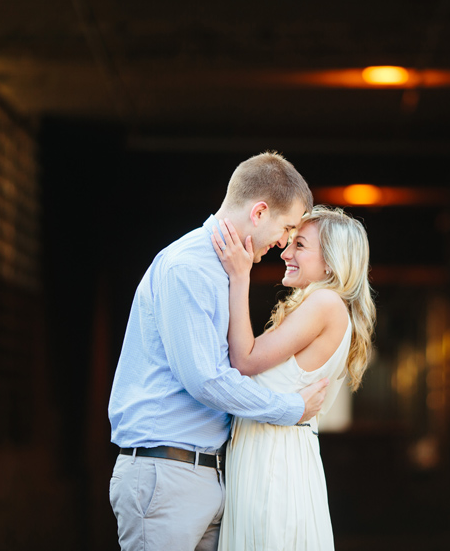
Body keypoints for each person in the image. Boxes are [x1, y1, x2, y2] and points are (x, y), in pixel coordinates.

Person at [107, 151, 331, 551]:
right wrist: (290, 408)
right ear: (260, 213)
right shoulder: (188, 267)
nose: (284, 244)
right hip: (166, 476)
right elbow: (206, 379)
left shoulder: (224, 270)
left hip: (205, 475)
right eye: (287, 228)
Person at [211, 205, 376, 550]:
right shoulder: (325, 306)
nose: (285, 252)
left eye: (300, 245)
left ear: (331, 262)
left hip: (275, 461)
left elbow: (245, 359)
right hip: (277, 453)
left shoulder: (325, 303)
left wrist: (240, 277)